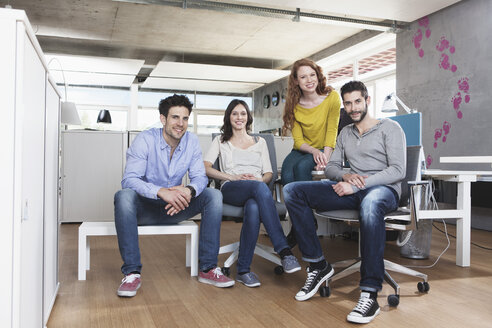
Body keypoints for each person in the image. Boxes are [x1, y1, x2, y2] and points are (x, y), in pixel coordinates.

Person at [283, 81, 406, 324]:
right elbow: (330, 167)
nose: (353, 108)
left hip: (384, 191)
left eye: (357, 101)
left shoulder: (390, 128)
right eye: (348, 103)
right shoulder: (345, 134)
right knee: (292, 191)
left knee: (370, 205)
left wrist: (359, 183)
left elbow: (398, 170)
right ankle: (318, 265)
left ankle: (370, 293)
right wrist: (345, 176)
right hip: (353, 188)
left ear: (367, 100)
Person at [114, 94, 234, 298]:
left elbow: (199, 177)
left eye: (185, 118)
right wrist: (161, 192)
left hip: (177, 207)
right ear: (163, 119)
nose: (180, 124)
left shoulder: (192, 141)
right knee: (123, 196)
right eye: (175, 117)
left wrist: (187, 191)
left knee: (213, 195)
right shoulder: (145, 139)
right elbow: (129, 179)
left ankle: (208, 269)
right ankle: (132, 273)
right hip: (146, 209)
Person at [203, 99, 301, 288]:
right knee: (258, 190)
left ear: (248, 117)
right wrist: (231, 177)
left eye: (242, 113)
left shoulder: (260, 142)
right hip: (232, 188)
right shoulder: (221, 140)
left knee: (254, 206)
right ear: (229, 117)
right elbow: (206, 167)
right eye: (234, 113)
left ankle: (243, 271)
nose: (239, 117)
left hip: (256, 188)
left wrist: (259, 181)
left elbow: (269, 173)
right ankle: (285, 251)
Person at [281, 58, 341, 185]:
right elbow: (298, 141)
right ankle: (294, 205)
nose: (309, 80)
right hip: (302, 150)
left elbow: (332, 131)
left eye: (312, 75)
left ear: (318, 76)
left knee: (301, 167)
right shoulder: (293, 105)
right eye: (303, 77)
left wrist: (325, 159)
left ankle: (307, 203)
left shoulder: (332, 97)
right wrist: (313, 151)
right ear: (296, 81)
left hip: (323, 148)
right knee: (286, 174)